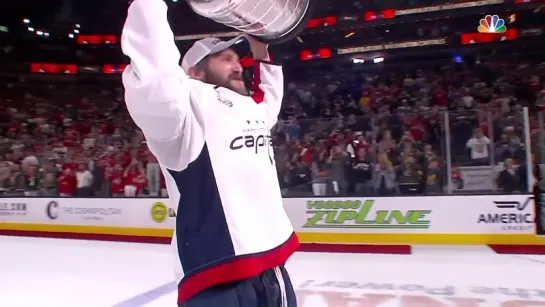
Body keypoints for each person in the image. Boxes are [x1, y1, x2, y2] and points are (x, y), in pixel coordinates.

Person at [120, 0, 300, 306]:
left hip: (274, 272)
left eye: (236, 59)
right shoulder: (184, 116)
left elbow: (268, 98)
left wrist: (262, 51)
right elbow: (156, 78)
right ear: (195, 72)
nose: (237, 65)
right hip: (217, 280)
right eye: (224, 59)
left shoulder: (249, 107)